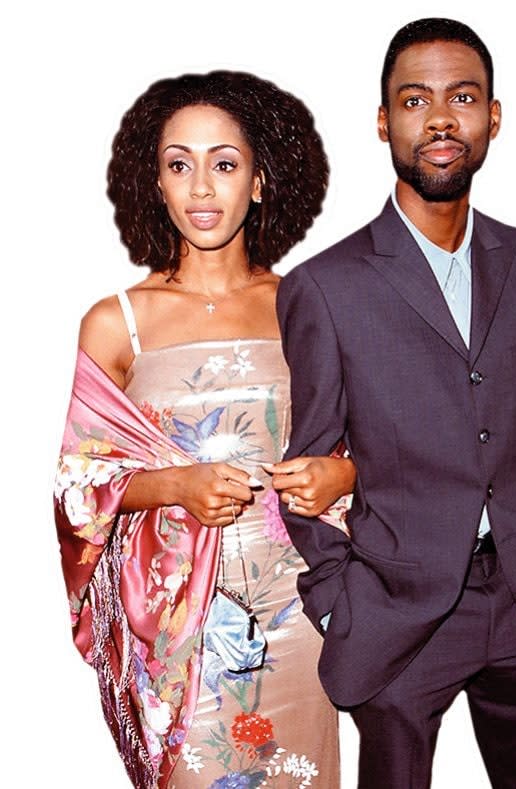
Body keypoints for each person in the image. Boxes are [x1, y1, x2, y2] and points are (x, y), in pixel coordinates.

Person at [277, 18, 516, 789]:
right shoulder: (326, 286)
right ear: (384, 122)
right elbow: (306, 470)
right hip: (396, 618)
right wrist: (336, 605)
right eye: (415, 100)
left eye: (462, 98)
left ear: (492, 117)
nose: (441, 119)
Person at [54, 71, 354, 789]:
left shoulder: (308, 306)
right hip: (187, 629)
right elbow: (76, 486)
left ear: (258, 181)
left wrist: (345, 473)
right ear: (154, 182)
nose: (200, 186)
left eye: (223, 163)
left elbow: (380, 446)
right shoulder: (116, 322)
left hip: (301, 610)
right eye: (178, 164)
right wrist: (178, 485)